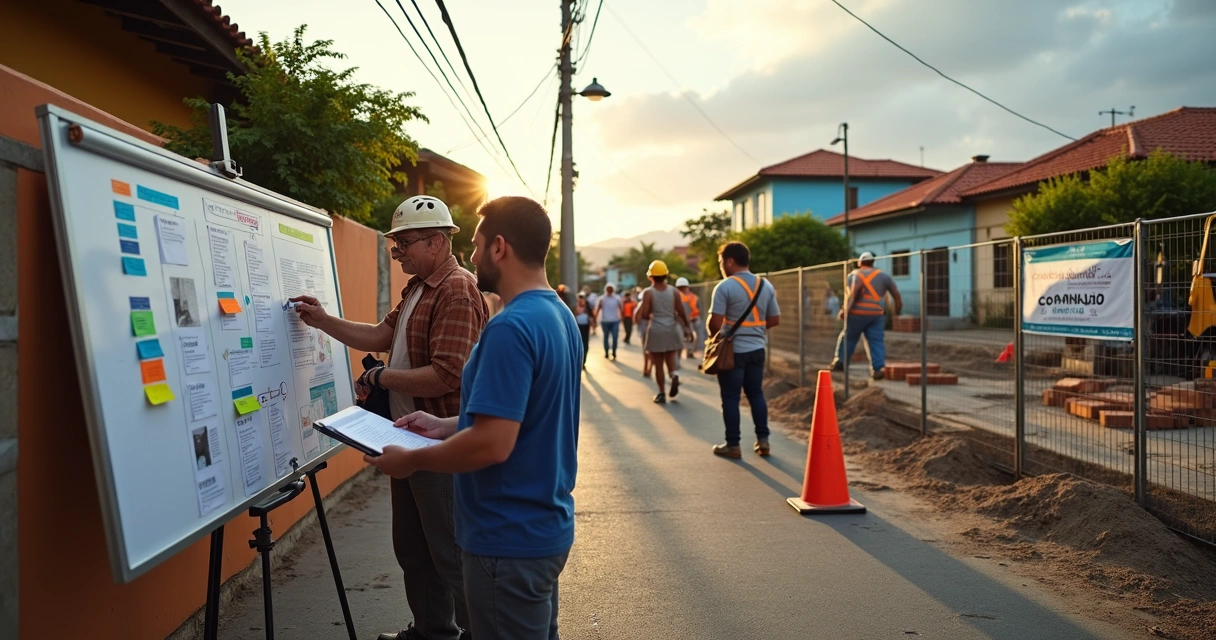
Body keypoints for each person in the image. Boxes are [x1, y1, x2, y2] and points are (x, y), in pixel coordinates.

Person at [366, 195, 581, 640]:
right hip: (542, 525)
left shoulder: (510, 327)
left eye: (479, 245)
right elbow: (524, 419)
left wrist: (413, 460)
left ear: (500, 247)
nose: (473, 255)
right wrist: (443, 425)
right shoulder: (558, 315)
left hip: (505, 535)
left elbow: (492, 443)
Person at [291, 194, 488, 640]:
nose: (398, 252)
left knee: (451, 556)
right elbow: (380, 334)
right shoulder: (419, 287)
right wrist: (323, 321)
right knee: (415, 550)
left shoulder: (457, 289)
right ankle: (432, 630)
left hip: (438, 446)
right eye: (395, 244)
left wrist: (381, 379)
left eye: (406, 243)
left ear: (437, 242)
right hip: (405, 440)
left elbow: (447, 375)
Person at [708, 241, 780, 459]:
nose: (721, 266)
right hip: (758, 349)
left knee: (730, 397)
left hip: (734, 351)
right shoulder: (765, 285)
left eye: (721, 261)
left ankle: (733, 445)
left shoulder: (725, 287)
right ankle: (763, 440)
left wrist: (719, 338)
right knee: (756, 394)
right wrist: (755, 330)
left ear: (730, 261)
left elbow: (714, 323)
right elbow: (774, 319)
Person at [830, 251, 902, 380]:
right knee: (876, 341)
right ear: (873, 262)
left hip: (857, 314)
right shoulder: (884, 276)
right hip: (876, 315)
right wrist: (897, 312)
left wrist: (844, 311)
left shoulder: (854, 275)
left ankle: (840, 362)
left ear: (860, 262)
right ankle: (878, 368)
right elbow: (896, 295)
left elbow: (852, 295)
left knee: (848, 338)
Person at [637, 260, 693, 404]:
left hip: (656, 330)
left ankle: (661, 393)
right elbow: (681, 311)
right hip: (671, 330)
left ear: (651, 277)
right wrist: (687, 328)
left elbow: (644, 314)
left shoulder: (649, 293)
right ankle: (674, 376)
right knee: (670, 359)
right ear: (666, 275)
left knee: (658, 365)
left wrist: (649, 312)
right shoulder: (674, 291)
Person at [675, 277, 705, 360]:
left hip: (694, 319)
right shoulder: (677, 297)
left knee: (696, 337)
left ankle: (691, 351)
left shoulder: (694, 297)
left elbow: (699, 309)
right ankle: (687, 351)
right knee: (687, 336)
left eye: (684, 287)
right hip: (684, 321)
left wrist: (698, 317)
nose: (683, 289)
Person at [597, 283, 623, 360]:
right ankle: (606, 352)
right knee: (606, 337)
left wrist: (622, 318)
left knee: (615, 337)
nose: (609, 290)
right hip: (605, 320)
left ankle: (614, 351)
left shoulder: (616, 298)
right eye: (608, 289)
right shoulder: (602, 298)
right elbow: (598, 308)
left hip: (615, 320)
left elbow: (621, 309)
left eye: (611, 289)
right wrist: (595, 319)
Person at [574, 292, 592, 369]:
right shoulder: (574, 308)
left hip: (585, 328)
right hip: (577, 328)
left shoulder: (588, 308)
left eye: (582, 299)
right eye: (579, 299)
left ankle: (583, 362)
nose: (581, 301)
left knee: (585, 345)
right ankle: (577, 362)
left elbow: (592, 317)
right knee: (577, 345)